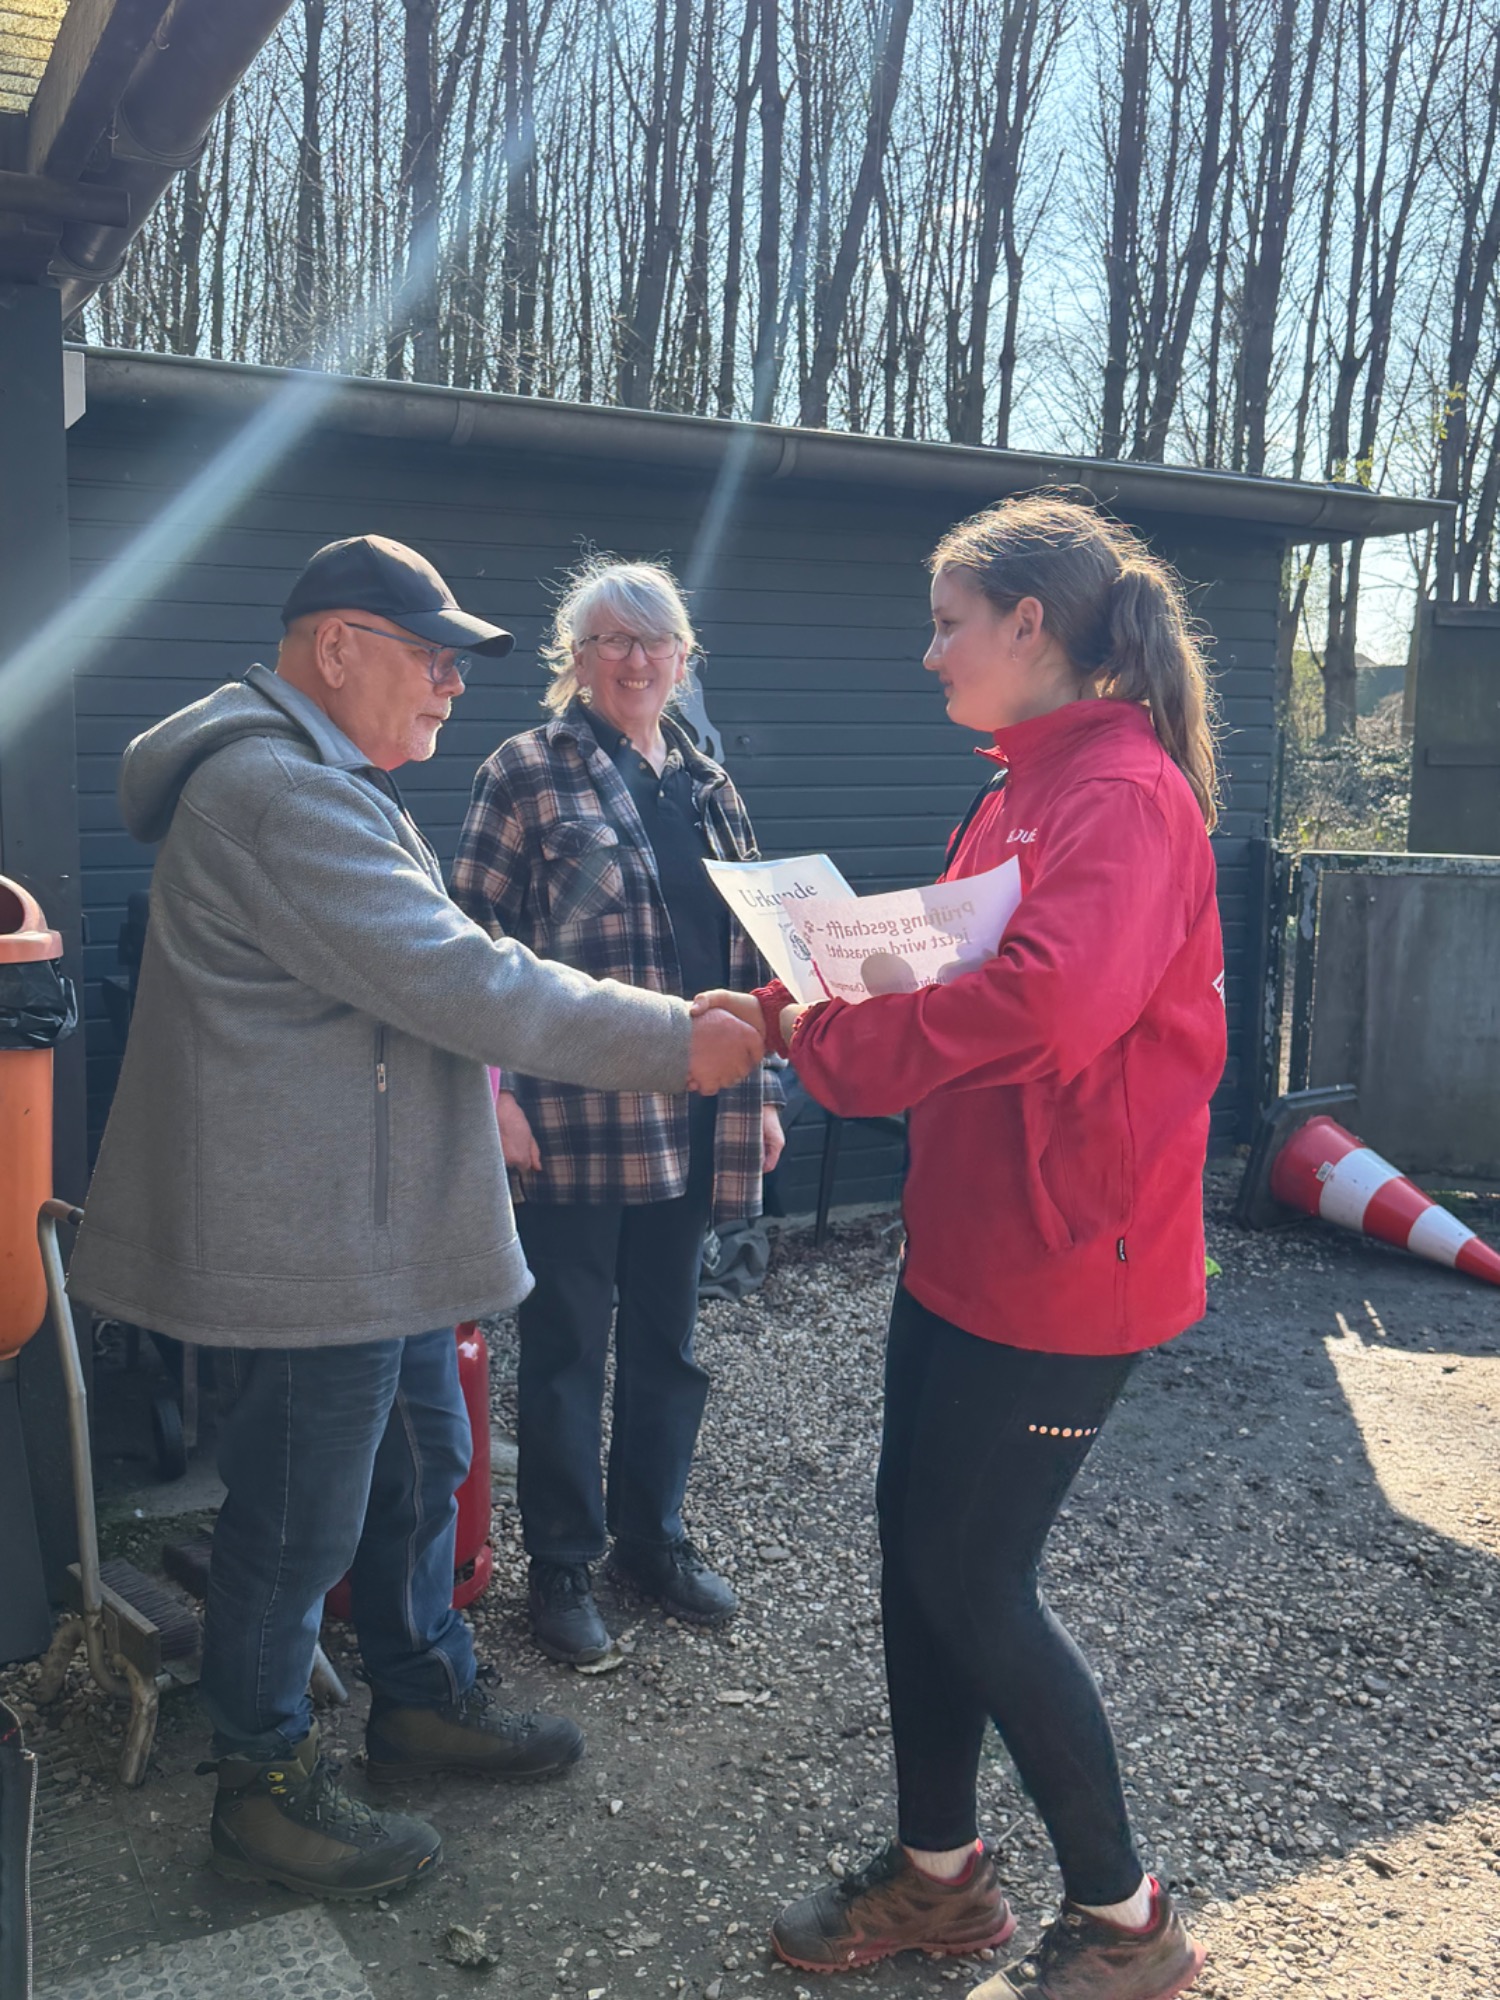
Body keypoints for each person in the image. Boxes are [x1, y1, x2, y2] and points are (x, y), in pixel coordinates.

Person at [67, 535, 761, 1903]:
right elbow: (466, 976)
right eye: (431, 655)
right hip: (309, 1237)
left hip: (368, 1231)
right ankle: (262, 1787)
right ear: (337, 649)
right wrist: (674, 1038)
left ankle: (420, 1694)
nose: (453, 682)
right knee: (296, 1516)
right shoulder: (278, 793)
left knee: (422, 1459)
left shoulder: (327, 779)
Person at [697, 496, 1224, 2000]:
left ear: (1029, 625)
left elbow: (1047, 1004)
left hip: (1067, 1260)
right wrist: (811, 988)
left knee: (975, 1579)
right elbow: (955, 961)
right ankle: (940, 1878)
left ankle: (1130, 1922)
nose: (929, 655)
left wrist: (825, 1045)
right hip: (970, 1243)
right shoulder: (1027, 785)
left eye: (947, 624)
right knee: (919, 1560)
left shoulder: (1120, 794)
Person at [450, 557, 783, 1668]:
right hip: (574, 1114)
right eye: (612, 641)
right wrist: (492, 1095)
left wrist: (762, 1094)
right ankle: (560, 1562)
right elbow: (466, 950)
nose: (636, 660)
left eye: (655, 641)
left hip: (701, 1108)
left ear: (684, 658)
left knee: (668, 1342)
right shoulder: (524, 771)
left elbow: (755, 959)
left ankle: (653, 1538)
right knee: (565, 1347)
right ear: (577, 659)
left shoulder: (710, 784)